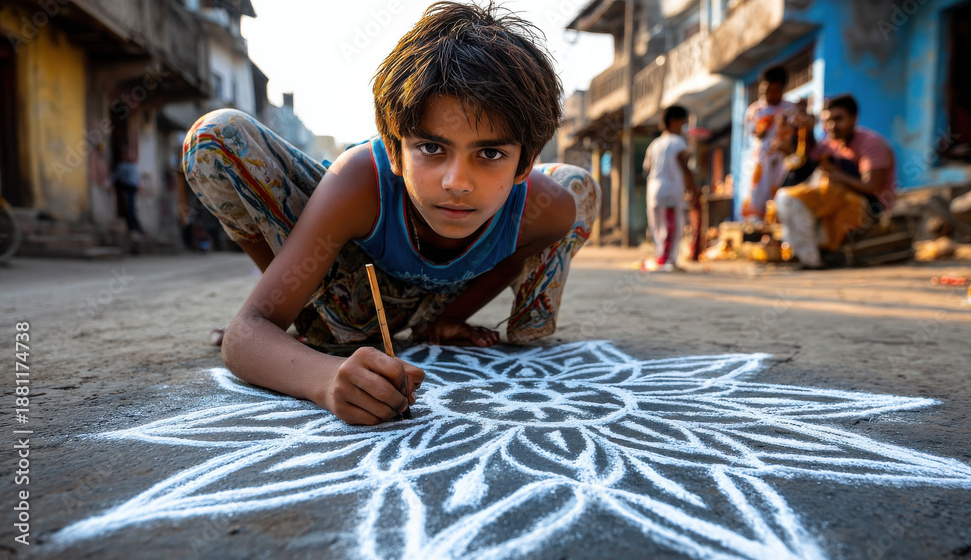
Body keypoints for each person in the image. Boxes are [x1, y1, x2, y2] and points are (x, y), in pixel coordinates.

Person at [181, 2, 599, 425]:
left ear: (524, 165)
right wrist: (324, 378)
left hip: (430, 303)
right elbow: (244, 336)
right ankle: (300, 309)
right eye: (432, 148)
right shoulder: (360, 182)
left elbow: (510, 260)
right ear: (396, 151)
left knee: (577, 184)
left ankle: (497, 317)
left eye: (490, 153)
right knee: (215, 136)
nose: (457, 181)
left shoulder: (545, 212)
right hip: (345, 303)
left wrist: (449, 318)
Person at [774, 94, 896, 268]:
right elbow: (803, 163)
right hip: (840, 201)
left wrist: (839, 177)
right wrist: (804, 131)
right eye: (827, 121)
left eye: (838, 119)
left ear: (854, 118)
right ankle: (810, 255)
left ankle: (812, 260)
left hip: (870, 207)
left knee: (797, 200)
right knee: (789, 197)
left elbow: (872, 187)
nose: (832, 126)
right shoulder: (831, 144)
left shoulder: (871, 145)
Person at [642, 105, 694, 272]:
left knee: (657, 225)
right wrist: (691, 186)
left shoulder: (654, 144)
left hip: (654, 189)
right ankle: (668, 260)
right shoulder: (679, 143)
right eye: (683, 123)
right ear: (674, 121)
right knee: (672, 224)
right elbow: (684, 166)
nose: (684, 127)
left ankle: (662, 257)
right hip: (671, 189)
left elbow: (647, 167)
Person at [742, 65, 795, 221]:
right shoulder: (755, 110)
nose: (769, 95)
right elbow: (753, 133)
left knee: (781, 194)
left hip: (782, 161)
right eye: (766, 91)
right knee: (757, 196)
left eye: (774, 90)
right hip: (760, 162)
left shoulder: (790, 109)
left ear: (781, 89)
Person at [113, 147, 143, 234]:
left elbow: (136, 178)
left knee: (131, 207)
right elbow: (116, 176)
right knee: (129, 207)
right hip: (127, 187)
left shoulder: (131, 165)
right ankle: (133, 226)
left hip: (132, 187)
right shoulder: (122, 166)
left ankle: (134, 227)